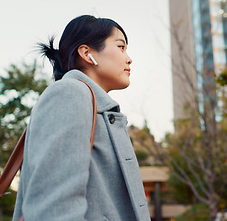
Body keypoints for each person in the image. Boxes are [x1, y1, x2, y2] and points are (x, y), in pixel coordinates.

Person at [12, 15, 151, 221]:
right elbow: (55, 208)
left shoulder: (96, 107)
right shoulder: (70, 92)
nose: (129, 58)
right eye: (121, 47)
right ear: (87, 53)